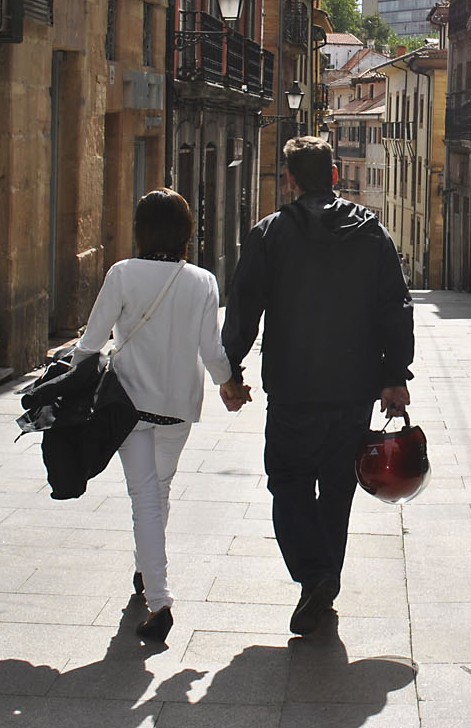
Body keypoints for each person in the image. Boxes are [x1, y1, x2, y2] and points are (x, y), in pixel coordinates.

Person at [221, 136, 414, 637]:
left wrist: (232, 366)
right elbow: (395, 305)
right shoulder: (371, 233)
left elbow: (244, 306)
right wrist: (394, 375)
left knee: (287, 482)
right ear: (333, 175)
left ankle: (315, 576)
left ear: (289, 179)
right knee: (337, 488)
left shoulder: (269, 234)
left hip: (292, 385)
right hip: (353, 387)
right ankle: (324, 579)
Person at [71, 188, 245, 643]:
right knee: (156, 493)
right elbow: (211, 349)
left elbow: (90, 342)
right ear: (186, 232)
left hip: (127, 405)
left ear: (141, 230)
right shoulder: (203, 281)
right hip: (177, 408)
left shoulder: (123, 274)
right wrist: (229, 384)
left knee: (145, 498)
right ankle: (145, 569)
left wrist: (67, 381)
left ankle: (160, 599)